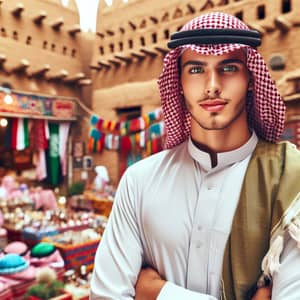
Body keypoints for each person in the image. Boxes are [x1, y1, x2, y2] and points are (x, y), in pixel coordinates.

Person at [90, 12, 300, 300]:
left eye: (228, 68)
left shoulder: (290, 182)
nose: (212, 85)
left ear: (251, 78)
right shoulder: (139, 182)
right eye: (196, 69)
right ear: (179, 82)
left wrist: (157, 293)